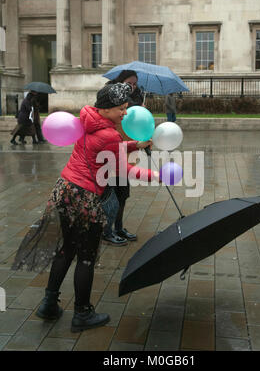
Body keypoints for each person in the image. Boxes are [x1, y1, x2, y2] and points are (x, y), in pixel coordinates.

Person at [11, 82, 160, 333]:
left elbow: (101, 149)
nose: (125, 113)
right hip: (84, 197)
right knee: (86, 257)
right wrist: (156, 176)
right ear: (108, 109)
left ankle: (48, 304)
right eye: (121, 109)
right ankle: (82, 313)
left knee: (66, 250)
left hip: (64, 190)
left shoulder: (87, 119)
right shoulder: (111, 134)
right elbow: (120, 168)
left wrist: (136, 145)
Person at [103, 70, 144, 245]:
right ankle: (107, 230)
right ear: (121, 81)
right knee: (111, 195)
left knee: (123, 194)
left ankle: (118, 227)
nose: (132, 87)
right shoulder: (110, 97)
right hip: (111, 154)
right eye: (129, 83)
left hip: (127, 153)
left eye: (135, 84)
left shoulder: (134, 103)